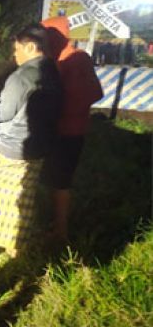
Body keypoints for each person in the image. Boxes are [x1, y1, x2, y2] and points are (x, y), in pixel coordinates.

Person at [0, 24, 63, 256]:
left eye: (17, 49)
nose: (15, 54)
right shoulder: (53, 71)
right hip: (39, 147)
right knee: (22, 197)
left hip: (12, 147)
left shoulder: (23, 76)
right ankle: (16, 243)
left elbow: (4, 113)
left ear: (31, 47)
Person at [41, 16, 103, 243]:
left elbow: (89, 94)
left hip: (67, 132)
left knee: (60, 181)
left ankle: (60, 231)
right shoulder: (59, 58)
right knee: (54, 180)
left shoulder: (74, 59)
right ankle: (56, 223)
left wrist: (53, 110)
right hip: (61, 130)